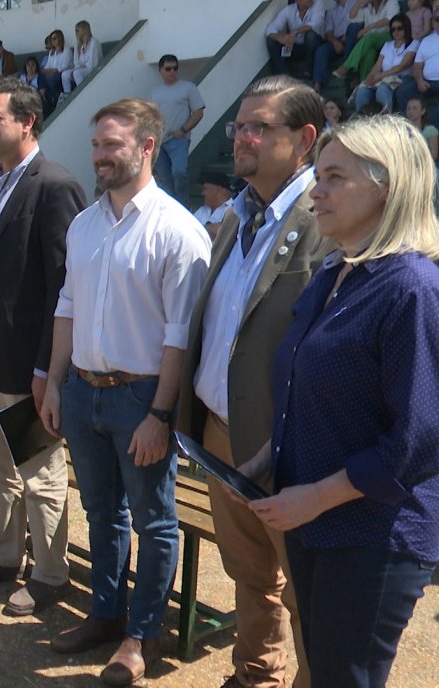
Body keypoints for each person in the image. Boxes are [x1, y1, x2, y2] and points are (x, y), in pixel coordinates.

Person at [244, 113, 439, 688]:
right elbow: (307, 383)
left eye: (333, 177)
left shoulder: (412, 289)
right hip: (315, 518)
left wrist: (316, 498)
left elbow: (419, 440)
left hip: (373, 534)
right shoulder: (336, 272)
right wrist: (267, 455)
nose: (315, 191)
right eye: (316, 176)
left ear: (387, 185)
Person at [41, 98, 209, 687]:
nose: (99, 156)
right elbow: (67, 307)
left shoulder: (178, 230)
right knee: (101, 512)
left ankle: (142, 635)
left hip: (141, 399)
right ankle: (106, 614)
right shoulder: (85, 226)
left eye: (111, 145)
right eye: (95, 145)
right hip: (84, 393)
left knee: (154, 521)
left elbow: (178, 338)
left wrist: (160, 414)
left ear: (146, 148)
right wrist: (57, 382)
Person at [176, 75, 330, 688]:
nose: (242, 136)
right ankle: (256, 672)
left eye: (261, 127)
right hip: (220, 432)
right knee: (247, 570)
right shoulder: (233, 216)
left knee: (306, 590)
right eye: (241, 124)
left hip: (290, 446)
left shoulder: (325, 218)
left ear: (304, 139)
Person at [0, 78, 87, 619]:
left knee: (39, 470)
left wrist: (45, 368)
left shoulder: (53, 185)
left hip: (28, 363)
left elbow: (64, 285)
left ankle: (51, 574)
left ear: (27, 121)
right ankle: (5, 556)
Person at [150, 54, 205, 202]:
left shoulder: (188, 88)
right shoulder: (155, 92)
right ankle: (173, 209)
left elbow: (198, 112)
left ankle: (184, 205)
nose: (172, 71)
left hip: (178, 139)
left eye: (175, 68)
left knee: (179, 171)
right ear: (160, 70)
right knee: (164, 178)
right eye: (168, 69)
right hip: (159, 140)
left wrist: (183, 130)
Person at [353, 13, 417, 113]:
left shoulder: (413, 43)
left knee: (382, 89)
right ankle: (360, 122)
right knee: (362, 91)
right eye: (393, 29)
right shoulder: (387, 45)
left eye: (399, 28)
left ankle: (386, 121)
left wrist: (380, 76)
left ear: (406, 28)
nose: (396, 31)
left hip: (401, 78)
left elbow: (403, 65)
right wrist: (370, 76)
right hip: (383, 78)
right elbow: (378, 64)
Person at [335, 0, 401, 82]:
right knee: (369, 54)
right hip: (370, 41)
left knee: (369, 36)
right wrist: (358, 3)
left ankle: (346, 66)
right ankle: (364, 83)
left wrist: (368, 27)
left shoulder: (391, 3)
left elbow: (390, 19)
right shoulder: (368, 8)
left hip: (387, 38)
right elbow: (351, 18)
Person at [396, 13, 439, 121]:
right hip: (426, 81)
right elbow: (417, 65)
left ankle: (430, 130)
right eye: (437, 19)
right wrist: (419, 80)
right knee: (402, 92)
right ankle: (409, 126)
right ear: (433, 22)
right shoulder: (427, 40)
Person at [266, 0, 324, 78]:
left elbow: (316, 23)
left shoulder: (317, 3)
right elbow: (270, 29)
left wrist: (295, 32)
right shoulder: (288, 10)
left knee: (310, 36)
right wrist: (282, 38)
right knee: (272, 41)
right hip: (297, 47)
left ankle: (310, 71)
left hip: (316, 45)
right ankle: (284, 75)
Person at [312, 0, 352, 92]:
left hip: (354, 39)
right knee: (321, 50)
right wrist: (335, 42)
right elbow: (328, 32)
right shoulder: (331, 11)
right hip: (338, 41)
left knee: (353, 30)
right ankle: (318, 83)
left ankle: (346, 66)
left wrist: (348, 34)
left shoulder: (355, 3)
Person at [61, 21, 101, 95]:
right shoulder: (78, 44)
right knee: (64, 74)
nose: (76, 32)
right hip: (81, 68)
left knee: (77, 73)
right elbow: (76, 62)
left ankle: (82, 94)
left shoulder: (94, 42)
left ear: (84, 30)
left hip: (92, 68)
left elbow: (94, 63)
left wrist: (81, 66)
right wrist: (79, 66)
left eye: (78, 30)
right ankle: (67, 95)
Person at [192, 170, 233, 238]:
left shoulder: (234, 208)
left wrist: (199, 229)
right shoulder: (201, 211)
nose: (202, 193)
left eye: (205, 189)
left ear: (219, 189)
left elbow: (229, 231)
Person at [41, 29, 72, 101]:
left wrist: (52, 70)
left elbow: (64, 67)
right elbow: (47, 66)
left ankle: (56, 98)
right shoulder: (51, 52)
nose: (53, 41)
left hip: (63, 73)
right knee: (40, 78)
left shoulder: (67, 51)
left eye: (55, 38)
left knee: (50, 79)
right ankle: (48, 100)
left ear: (60, 38)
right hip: (52, 73)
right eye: (51, 39)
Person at [405, 95, 439, 161]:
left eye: (414, 108)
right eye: (408, 108)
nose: (410, 111)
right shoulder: (402, 129)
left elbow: (434, 155)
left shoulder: (430, 130)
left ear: (423, 111)